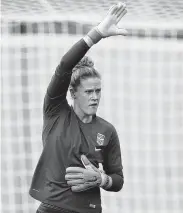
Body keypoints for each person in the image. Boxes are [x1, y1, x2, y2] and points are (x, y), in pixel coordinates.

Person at [29, 2, 128, 213]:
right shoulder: (55, 112)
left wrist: (102, 179)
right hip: (51, 208)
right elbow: (64, 66)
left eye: (98, 91)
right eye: (88, 92)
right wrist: (97, 34)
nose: (95, 97)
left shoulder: (107, 131)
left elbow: (118, 179)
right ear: (73, 94)